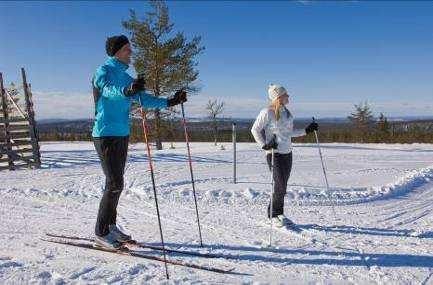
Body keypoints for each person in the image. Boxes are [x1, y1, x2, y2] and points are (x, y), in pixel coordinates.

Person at [92, 35, 187, 248]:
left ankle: (111, 226)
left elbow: (143, 99)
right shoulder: (103, 71)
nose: (131, 53)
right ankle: (100, 232)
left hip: (121, 133)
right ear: (116, 51)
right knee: (115, 183)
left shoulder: (126, 77)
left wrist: (170, 101)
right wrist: (127, 90)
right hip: (104, 133)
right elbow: (108, 91)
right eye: (127, 49)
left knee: (116, 183)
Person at [251, 84, 318, 228]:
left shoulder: (287, 113)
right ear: (278, 97)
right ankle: (273, 215)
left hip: (288, 153)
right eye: (285, 94)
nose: (288, 96)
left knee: (283, 186)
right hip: (274, 153)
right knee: (279, 185)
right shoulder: (267, 112)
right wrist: (264, 145)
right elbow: (255, 129)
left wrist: (306, 130)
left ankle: (279, 213)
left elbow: (289, 133)